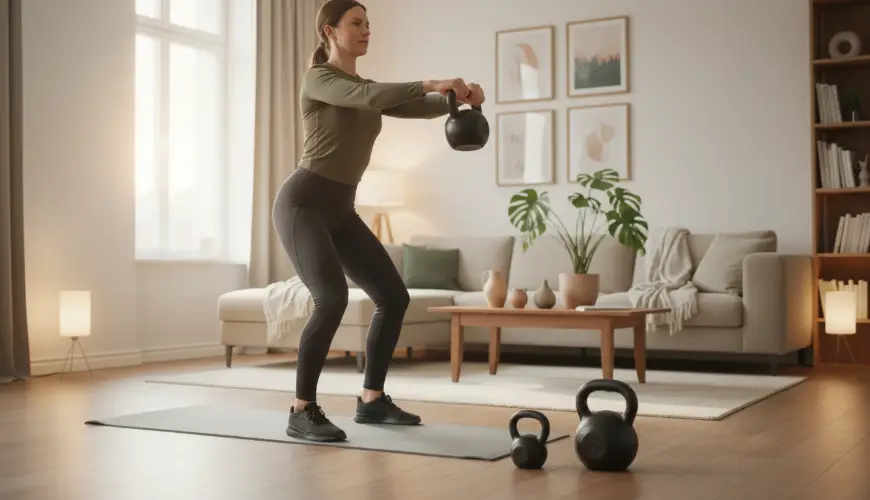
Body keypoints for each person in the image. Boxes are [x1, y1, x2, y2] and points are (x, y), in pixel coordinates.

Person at [273, 0, 485, 443]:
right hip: (302, 204)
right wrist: (432, 80)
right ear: (329, 31)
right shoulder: (320, 79)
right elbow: (370, 96)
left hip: (341, 209)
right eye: (356, 23)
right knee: (330, 299)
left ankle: (371, 400)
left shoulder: (366, 87)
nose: (366, 29)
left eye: (368, 23)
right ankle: (301, 409)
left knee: (393, 295)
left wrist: (456, 100)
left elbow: (414, 106)